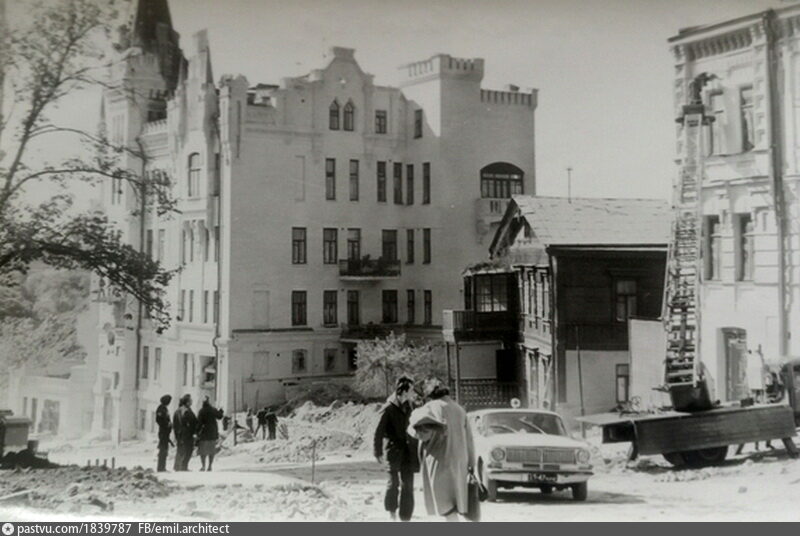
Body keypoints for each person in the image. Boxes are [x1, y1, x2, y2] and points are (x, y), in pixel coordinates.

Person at [408, 378, 476, 522]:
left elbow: (422, 434)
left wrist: (411, 428)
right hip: (459, 462)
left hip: (440, 460)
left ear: (429, 394)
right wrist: (471, 464)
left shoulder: (429, 408)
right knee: (455, 500)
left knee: (445, 506)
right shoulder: (459, 409)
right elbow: (469, 439)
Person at [374, 376, 417, 521]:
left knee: (408, 485)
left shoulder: (412, 407)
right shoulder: (389, 408)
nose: (413, 393)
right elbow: (379, 431)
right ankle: (391, 513)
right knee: (393, 484)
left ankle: (405, 517)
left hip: (408, 451)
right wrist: (378, 451)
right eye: (411, 390)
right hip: (393, 451)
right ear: (404, 391)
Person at [197, 397, 224, 472]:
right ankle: (210, 466)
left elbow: (199, 423)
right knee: (211, 450)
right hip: (212, 432)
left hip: (204, 433)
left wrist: (197, 432)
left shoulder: (201, 411)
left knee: (203, 451)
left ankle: (203, 466)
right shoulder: (213, 409)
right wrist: (221, 411)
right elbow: (220, 416)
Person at [172, 394, 198, 471]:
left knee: (181, 449)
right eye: (190, 401)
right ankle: (183, 467)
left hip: (179, 434)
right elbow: (189, 422)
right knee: (188, 450)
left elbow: (175, 423)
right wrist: (193, 431)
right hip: (187, 434)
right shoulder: (186, 411)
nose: (192, 402)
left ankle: (177, 466)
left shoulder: (178, 410)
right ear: (187, 402)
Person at [155, 394, 173, 472]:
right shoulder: (161, 409)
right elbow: (159, 419)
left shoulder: (164, 408)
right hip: (163, 431)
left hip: (166, 432)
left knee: (165, 449)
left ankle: (163, 466)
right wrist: (166, 424)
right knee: (163, 449)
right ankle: (160, 467)